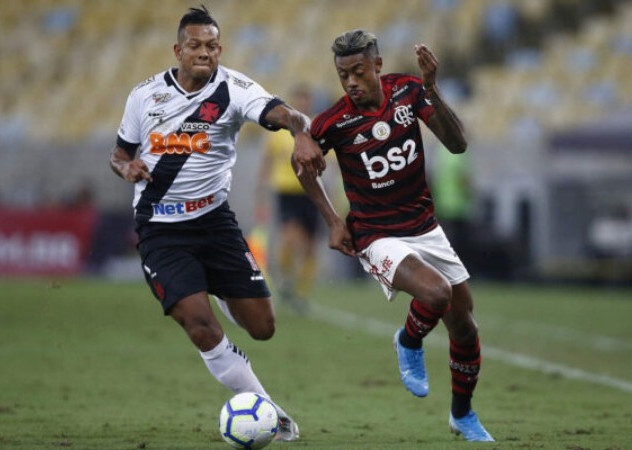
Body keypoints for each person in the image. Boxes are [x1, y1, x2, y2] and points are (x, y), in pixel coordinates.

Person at [109, 6, 320, 441]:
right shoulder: (143, 96)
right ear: (178, 50)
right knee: (201, 326)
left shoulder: (234, 88)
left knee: (263, 328)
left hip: (214, 223)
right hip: (160, 229)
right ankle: (273, 416)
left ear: (219, 49)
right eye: (195, 46)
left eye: (211, 46)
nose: (204, 53)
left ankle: (221, 288)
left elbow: (283, 112)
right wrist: (126, 168)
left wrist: (299, 130)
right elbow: (120, 153)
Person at [292, 29, 495, 442]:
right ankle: (407, 340)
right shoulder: (333, 122)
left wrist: (433, 88)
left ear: (378, 66)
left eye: (358, 71)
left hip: (425, 228)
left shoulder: (407, 90)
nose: (350, 81)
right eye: (343, 74)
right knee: (436, 294)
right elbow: (303, 167)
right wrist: (333, 220)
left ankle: (462, 415)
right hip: (375, 234)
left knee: (465, 328)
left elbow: (456, 145)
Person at [255, 85, 321, 314]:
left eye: (305, 101)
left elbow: (328, 165)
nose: (302, 105)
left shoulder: (316, 129)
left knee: (310, 248)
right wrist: (261, 193)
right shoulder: (279, 134)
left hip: (311, 192)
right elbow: (267, 162)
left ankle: (301, 294)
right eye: (298, 101)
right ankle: (284, 279)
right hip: (287, 192)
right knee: (291, 239)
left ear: (309, 104)